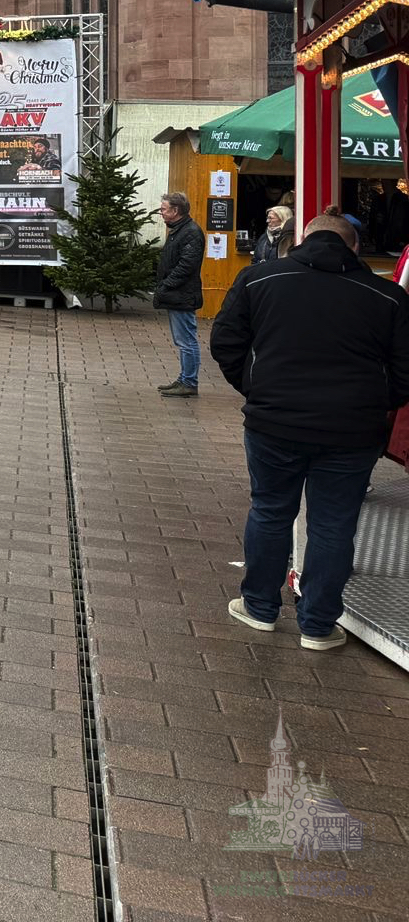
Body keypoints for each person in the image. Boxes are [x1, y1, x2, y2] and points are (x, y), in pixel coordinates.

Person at [211, 208, 409, 650]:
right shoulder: (388, 297)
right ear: (354, 247)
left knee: (270, 511)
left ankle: (259, 608)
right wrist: (377, 403)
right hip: (352, 431)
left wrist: (255, 387)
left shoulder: (259, 279)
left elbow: (225, 341)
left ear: (302, 239)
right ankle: (318, 625)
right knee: (334, 524)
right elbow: (405, 370)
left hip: (274, 422)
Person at [155, 192, 205, 398]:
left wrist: (166, 285)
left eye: (163, 209)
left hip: (182, 295)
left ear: (175, 211)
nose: (161, 213)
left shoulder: (190, 232)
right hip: (177, 294)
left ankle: (189, 382)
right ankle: (184, 378)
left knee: (186, 341)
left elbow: (187, 265)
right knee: (182, 340)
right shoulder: (179, 230)